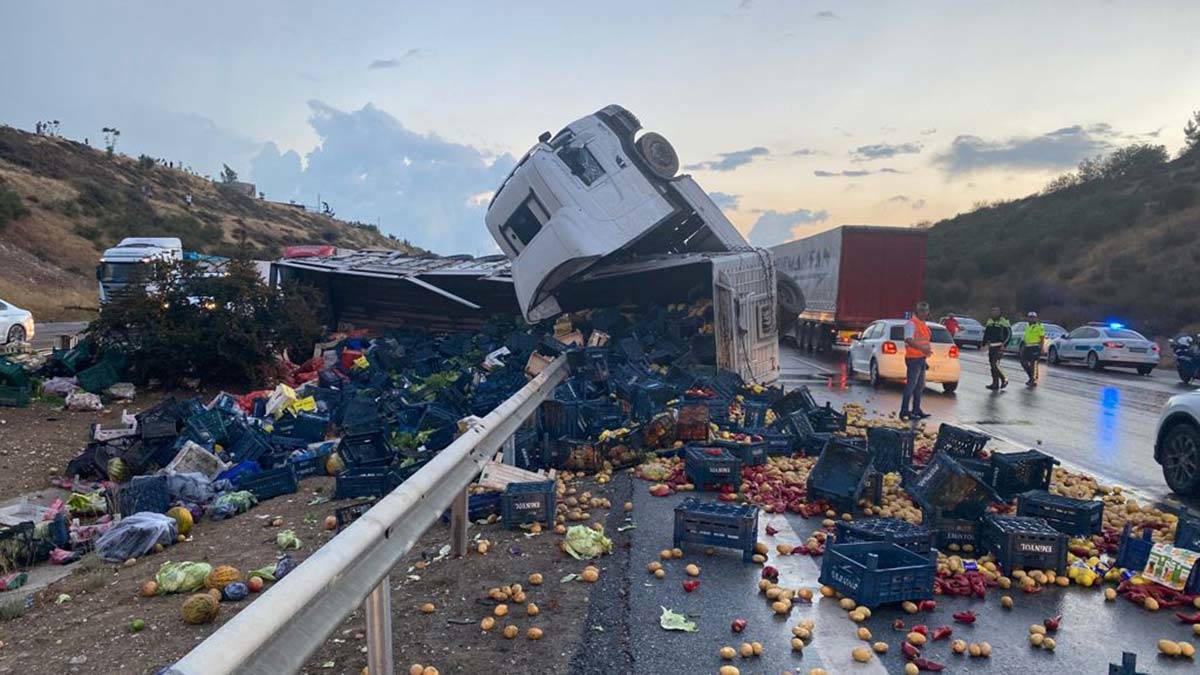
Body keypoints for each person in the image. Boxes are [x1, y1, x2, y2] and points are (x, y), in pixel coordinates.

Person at [900, 301, 933, 421]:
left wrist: (926, 352)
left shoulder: (923, 324)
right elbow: (908, 340)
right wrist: (922, 348)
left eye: (926, 311)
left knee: (920, 386)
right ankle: (904, 411)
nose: (925, 313)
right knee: (911, 386)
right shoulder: (911, 324)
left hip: (921, 358)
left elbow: (924, 340)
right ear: (917, 311)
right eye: (922, 311)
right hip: (913, 359)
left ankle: (916, 409)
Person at [982, 307, 1010, 390]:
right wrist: (983, 344)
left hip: (999, 346)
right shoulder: (990, 321)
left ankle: (1004, 379)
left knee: (995, 365)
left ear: (999, 312)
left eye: (995, 311)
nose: (994, 313)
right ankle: (995, 384)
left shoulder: (1004, 321)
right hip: (992, 346)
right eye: (992, 311)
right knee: (992, 365)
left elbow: (1009, 334)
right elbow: (986, 333)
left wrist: (1004, 344)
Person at [1021, 311, 1046, 387]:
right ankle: (1031, 377)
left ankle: (1033, 380)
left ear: (1036, 318)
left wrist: (1041, 348)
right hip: (1027, 346)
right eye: (1030, 317)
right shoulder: (1027, 326)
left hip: (1035, 346)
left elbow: (1042, 338)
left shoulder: (1039, 326)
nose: (1031, 319)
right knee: (1023, 362)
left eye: (1033, 317)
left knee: (1033, 364)